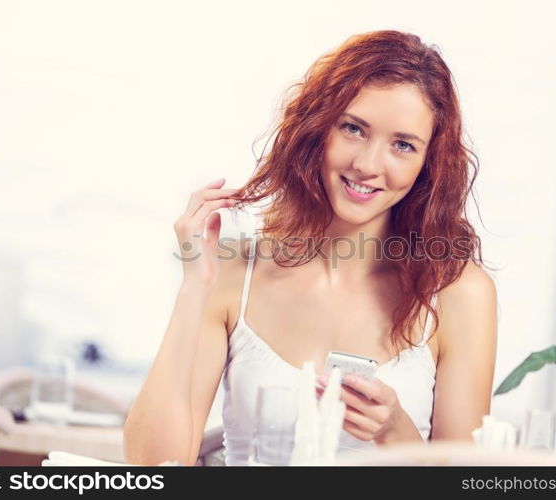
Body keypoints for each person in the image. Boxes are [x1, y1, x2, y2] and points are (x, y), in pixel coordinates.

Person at [123, 30, 498, 466]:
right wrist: (193, 288)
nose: (368, 165)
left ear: (428, 162)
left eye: (402, 145)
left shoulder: (458, 293)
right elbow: (150, 469)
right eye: (353, 128)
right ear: (318, 130)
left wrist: (395, 430)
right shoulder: (234, 275)